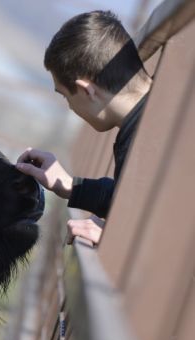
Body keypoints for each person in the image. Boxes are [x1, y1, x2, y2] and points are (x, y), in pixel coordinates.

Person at [15, 10, 152, 245]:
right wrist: (71, 186)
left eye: (66, 96)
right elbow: (142, 201)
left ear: (87, 90)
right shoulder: (159, 113)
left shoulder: (148, 136)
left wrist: (115, 236)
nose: (70, 107)